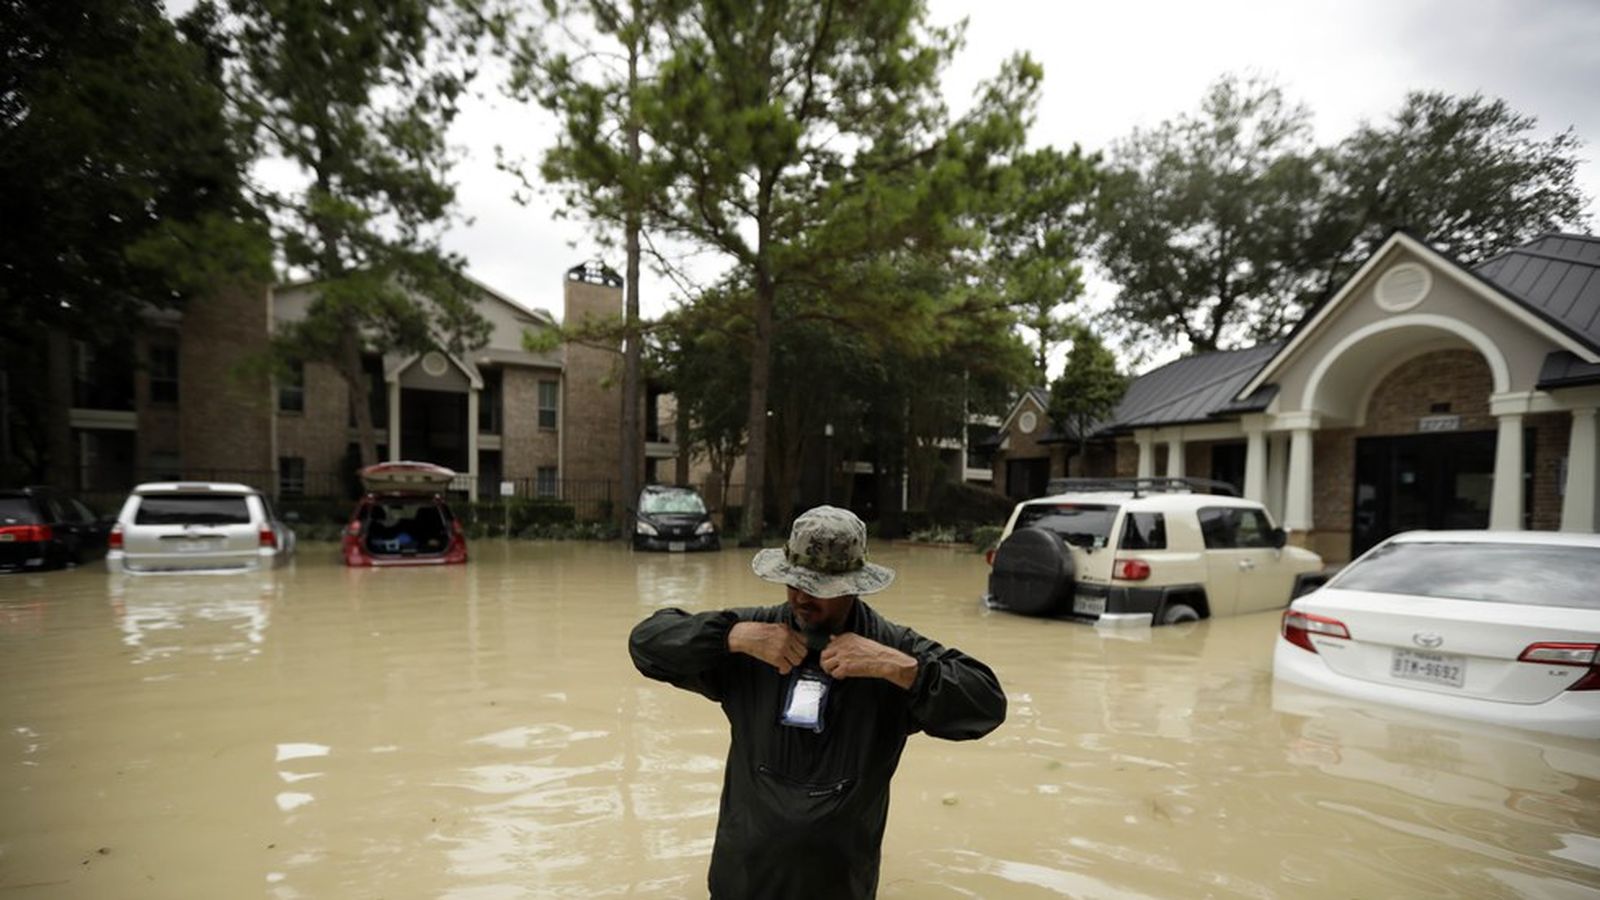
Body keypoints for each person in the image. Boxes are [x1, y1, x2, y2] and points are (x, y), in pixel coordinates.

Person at [628, 505, 1006, 899]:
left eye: (819, 588)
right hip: (743, 883)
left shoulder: (890, 650)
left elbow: (987, 704)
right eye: (793, 582)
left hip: (841, 887)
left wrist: (900, 668)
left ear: (853, 585)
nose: (802, 597)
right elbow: (646, 643)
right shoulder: (754, 637)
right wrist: (731, 637)